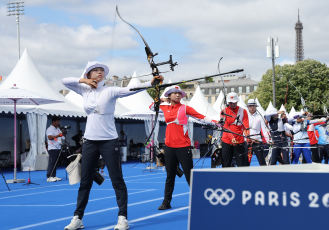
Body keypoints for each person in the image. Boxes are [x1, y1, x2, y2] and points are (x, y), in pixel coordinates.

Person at [62, 61, 162, 230]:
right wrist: (84, 81)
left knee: (117, 180)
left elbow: (130, 90)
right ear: (88, 74)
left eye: (102, 70)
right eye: (95, 70)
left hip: (109, 140)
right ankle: (77, 218)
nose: (100, 72)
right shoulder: (83, 90)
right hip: (90, 141)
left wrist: (150, 83)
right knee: (85, 181)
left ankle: (122, 217)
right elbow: (65, 81)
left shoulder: (110, 90)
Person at [152, 85, 217, 210]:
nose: (178, 95)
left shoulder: (185, 108)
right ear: (169, 95)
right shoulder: (164, 107)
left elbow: (201, 116)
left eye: (179, 93)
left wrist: (215, 121)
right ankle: (166, 202)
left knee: (189, 175)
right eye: (174, 93)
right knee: (169, 176)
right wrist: (163, 99)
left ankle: (198, 200)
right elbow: (151, 106)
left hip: (183, 146)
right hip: (169, 147)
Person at [220, 92, 249, 167]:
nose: (232, 104)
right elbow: (225, 126)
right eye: (230, 103)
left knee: (242, 163)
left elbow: (246, 125)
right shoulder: (224, 112)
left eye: (234, 102)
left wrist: (247, 134)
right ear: (228, 102)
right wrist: (232, 137)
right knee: (226, 164)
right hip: (227, 140)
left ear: (237, 101)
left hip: (239, 140)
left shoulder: (243, 111)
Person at [246, 99, 270, 166]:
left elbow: (264, 130)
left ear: (256, 106)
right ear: (248, 107)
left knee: (262, 162)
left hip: (257, 141)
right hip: (247, 142)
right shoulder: (245, 116)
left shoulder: (260, 117)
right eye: (250, 106)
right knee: (245, 162)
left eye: (253, 106)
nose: (252, 107)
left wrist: (268, 141)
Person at [45, 116, 63, 182]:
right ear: (53, 122)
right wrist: (58, 136)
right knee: (52, 162)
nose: (58, 123)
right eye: (57, 121)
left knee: (55, 163)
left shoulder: (57, 129)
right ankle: (49, 177)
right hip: (52, 148)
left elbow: (61, 136)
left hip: (58, 147)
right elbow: (49, 137)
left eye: (59, 121)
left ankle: (54, 176)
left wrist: (62, 134)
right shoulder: (50, 129)